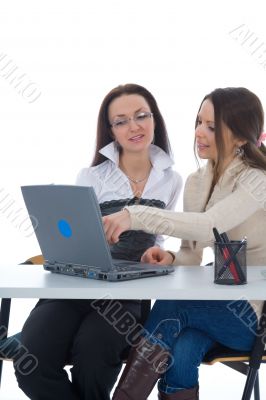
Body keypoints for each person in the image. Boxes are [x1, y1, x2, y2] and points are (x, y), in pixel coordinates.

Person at [13, 83, 182, 400]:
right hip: (75, 287)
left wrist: (162, 255)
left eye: (141, 115)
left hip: (127, 294)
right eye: (121, 121)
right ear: (112, 130)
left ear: (155, 119)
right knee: (29, 361)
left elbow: (160, 238)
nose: (133, 126)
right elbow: (74, 237)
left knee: (92, 358)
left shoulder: (171, 179)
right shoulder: (92, 176)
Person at [102, 87, 266, 400]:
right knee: (183, 346)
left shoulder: (258, 179)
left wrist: (133, 215)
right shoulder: (196, 182)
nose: (199, 133)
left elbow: (208, 225)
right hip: (215, 304)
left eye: (212, 127)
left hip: (255, 316)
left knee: (171, 306)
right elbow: (193, 251)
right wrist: (171, 258)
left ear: (243, 137)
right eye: (198, 122)